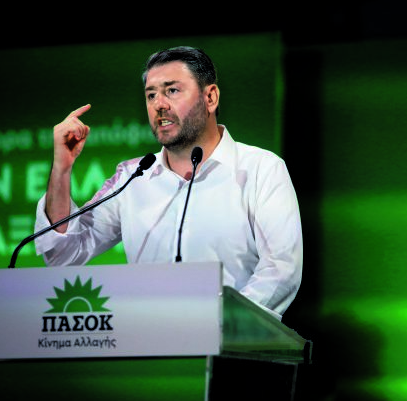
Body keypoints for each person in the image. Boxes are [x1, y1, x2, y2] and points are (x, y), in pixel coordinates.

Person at [34, 46, 302, 320]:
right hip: (148, 340)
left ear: (210, 97)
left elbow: (281, 269)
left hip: (232, 342)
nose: (159, 104)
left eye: (172, 90)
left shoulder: (261, 169)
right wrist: (61, 169)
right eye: (151, 95)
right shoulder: (131, 178)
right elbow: (62, 254)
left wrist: (221, 324)